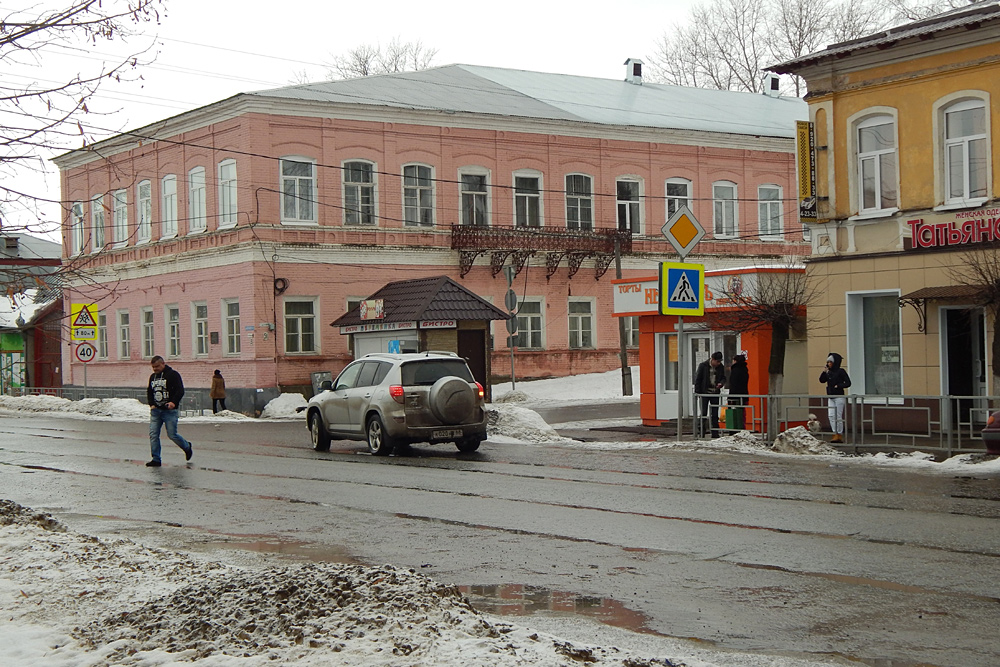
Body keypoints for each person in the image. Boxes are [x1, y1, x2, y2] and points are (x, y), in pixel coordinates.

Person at [146, 355, 193, 467]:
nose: (155, 369)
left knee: (172, 434)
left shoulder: (173, 375)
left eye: (157, 366)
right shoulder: (153, 377)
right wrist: (152, 404)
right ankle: (156, 459)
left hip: (169, 411)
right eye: (153, 367)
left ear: (163, 363)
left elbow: (180, 390)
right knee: (153, 434)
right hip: (156, 411)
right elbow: (149, 391)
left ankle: (187, 447)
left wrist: (173, 402)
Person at [819, 352, 852, 443]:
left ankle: (839, 435)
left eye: (830, 362)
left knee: (838, 416)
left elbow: (848, 383)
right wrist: (824, 372)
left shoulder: (840, 371)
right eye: (828, 362)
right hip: (831, 396)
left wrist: (839, 385)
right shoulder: (828, 372)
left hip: (839, 396)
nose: (829, 364)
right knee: (831, 415)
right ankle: (834, 433)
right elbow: (821, 380)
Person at [694, 351, 726, 438]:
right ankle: (701, 432)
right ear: (712, 359)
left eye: (720, 362)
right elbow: (698, 379)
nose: (718, 363)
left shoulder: (720, 367)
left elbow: (723, 377)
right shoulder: (703, 366)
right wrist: (698, 392)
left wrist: (721, 383)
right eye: (717, 361)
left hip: (715, 392)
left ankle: (715, 433)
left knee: (715, 413)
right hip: (705, 392)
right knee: (703, 413)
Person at [728, 354, 749, 430]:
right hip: (744, 394)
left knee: (734, 413)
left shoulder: (735, 370)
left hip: (735, 395)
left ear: (735, 361)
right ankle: (742, 428)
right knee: (742, 413)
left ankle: (734, 429)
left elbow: (733, 384)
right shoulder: (745, 369)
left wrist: (730, 397)